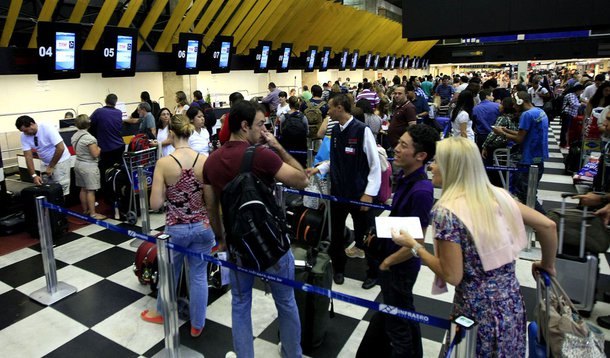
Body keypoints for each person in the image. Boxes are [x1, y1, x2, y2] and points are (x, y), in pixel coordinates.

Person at [391, 136, 557, 357]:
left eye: (438, 161)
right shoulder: (499, 195)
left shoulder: (446, 212)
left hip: (475, 313)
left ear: (453, 168)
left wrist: (414, 246)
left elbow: (452, 275)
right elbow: (548, 226)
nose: (432, 166)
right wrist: (548, 264)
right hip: (512, 306)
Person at [203, 100, 308, 358]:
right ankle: (292, 354)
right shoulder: (262, 155)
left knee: (240, 305)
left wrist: (222, 239)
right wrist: (278, 147)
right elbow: (302, 179)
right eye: (260, 125)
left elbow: (211, 207)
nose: (264, 131)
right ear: (244, 125)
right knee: (285, 302)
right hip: (273, 243)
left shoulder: (211, 162)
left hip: (239, 245)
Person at [359, 124, 439, 357]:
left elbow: (416, 242)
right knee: (403, 313)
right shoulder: (405, 179)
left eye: (404, 145)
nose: (396, 148)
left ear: (421, 155)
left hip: (400, 267)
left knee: (398, 327)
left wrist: (388, 263)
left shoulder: (422, 191)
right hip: (393, 261)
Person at [140, 115, 215, 339]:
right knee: (199, 275)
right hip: (202, 226)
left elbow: (155, 203)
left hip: (177, 228)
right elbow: (210, 201)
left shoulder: (164, 163)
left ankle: (163, 312)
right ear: (189, 132)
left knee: (169, 273)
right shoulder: (204, 160)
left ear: (171, 133)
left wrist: (165, 192)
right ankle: (197, 324)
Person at [308, 94, 381, 288]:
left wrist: (369, 193)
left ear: (340, 107)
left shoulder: (361, 130)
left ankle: (373, 272)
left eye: (330, 107)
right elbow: (337, 161)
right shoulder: (336, 131)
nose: (328, 111)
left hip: (359, 195)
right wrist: (320, 168)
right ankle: (339, 268)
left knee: (366, 236)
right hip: (338, 193)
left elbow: (374, 165)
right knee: (337, 235)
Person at [494, 91, 549, 214]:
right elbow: (525, 134)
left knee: (525, 194)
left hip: (528, 158)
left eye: (514, 104)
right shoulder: (540, 112)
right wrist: (507, 130)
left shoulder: (526, 115)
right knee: (531, 192)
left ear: (520, 102)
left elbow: (519, 139)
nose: (513, 106)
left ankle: (544, 219)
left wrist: (502, 133)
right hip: (538, 158)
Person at [16, 115, 72, 196]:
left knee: (60, 190)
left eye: (26, 130)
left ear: (32, 124)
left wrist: (51, 166)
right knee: (46, 189)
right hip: (45, 162)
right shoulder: (24, 136)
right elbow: (28, 157)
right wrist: (34, 175)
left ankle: (60, 207)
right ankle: (50, 208)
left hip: (61, 161)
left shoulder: (47, 128)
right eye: (22, 131)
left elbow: (60, 148)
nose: (25, 133)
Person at [71, 115, 105, 219]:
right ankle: (93, 214)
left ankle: (85, 210)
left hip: (78, 164)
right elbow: (95, 154)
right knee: (91, 190)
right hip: (89, 166)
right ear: (89, 124)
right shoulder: (90, 138)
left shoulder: (74, 136)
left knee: (83, 189)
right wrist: (99, 148)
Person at [481, 96, 519, 186]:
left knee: (493, 171)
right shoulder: (516, 117)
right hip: (511, 147)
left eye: (501, 104)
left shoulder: (502, 118)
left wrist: (484, 145)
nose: (499, 106)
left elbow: (493, 133)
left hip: (497, 147)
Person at [90, 93, 125, 187]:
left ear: (105, 100)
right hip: (119, 146)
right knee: (118, 170)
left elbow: (89, 123)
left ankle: (108, 194)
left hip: (106, 148)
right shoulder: (119, 112)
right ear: (115, 102)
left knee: (105, 172)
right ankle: (117, 189)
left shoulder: (99, 112)